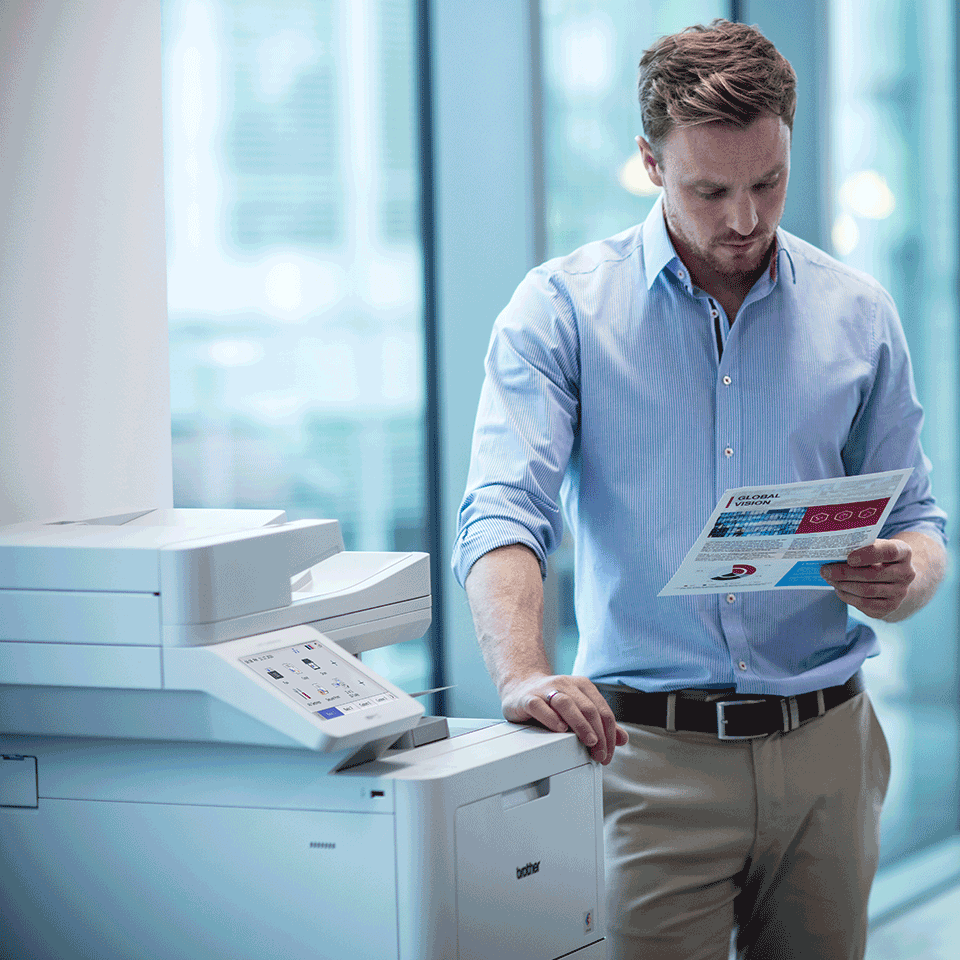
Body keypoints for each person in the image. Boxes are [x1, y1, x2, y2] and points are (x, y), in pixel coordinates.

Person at [451, 18, 948, 960]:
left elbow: (921, 521)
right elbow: (504, 511)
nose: (745, 220)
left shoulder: (861, 314)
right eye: (710, 189)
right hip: (644, 764)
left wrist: (907, 573)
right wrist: (522, 672)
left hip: (828, 755)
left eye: (768, 182)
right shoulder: (559, 313)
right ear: (650, 163)